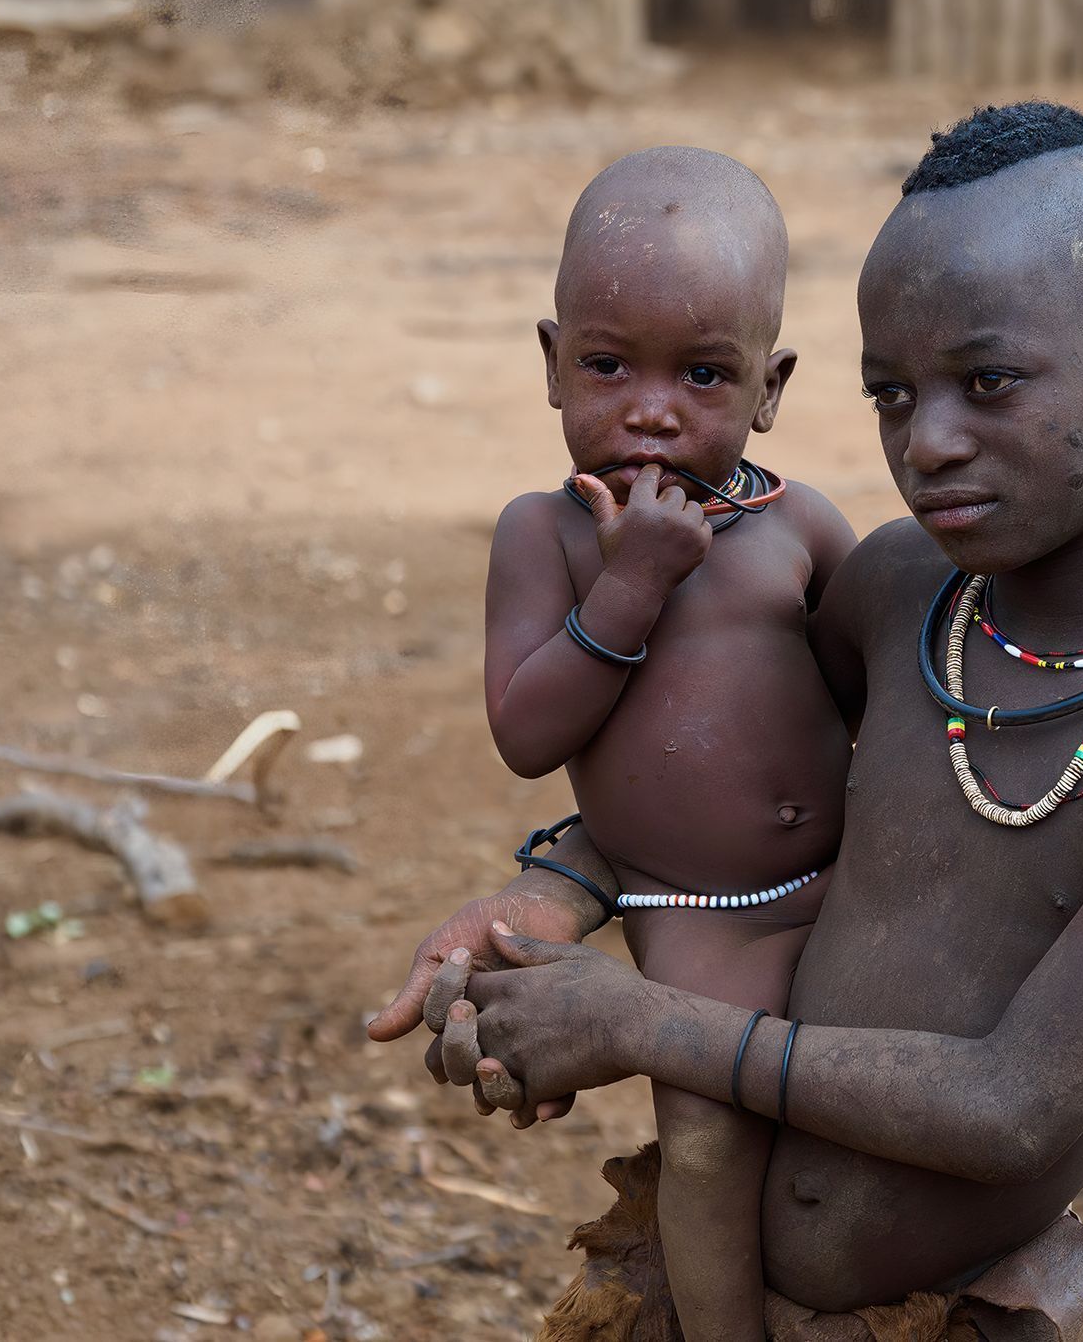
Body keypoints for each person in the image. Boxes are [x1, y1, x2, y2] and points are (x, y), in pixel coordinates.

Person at [373, 103, 1083, 1338]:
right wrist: (556, 893)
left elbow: (1014, 1107)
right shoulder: (902, 593)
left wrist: (642, 1023)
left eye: (986, 382)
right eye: (891, 393)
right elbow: (735, 777)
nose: (924, 444)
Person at [438, 143, 859, 1341]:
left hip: (844, 899)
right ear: (551, 363)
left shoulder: (801, 531)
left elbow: (870, 699)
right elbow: (526, 734)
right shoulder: (547, 539)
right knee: (713, 1144)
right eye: (607, 365)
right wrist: (629, 590)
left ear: (769, 390)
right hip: (699, 923)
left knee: (858, 1126)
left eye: (705, 375)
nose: (650, 410)